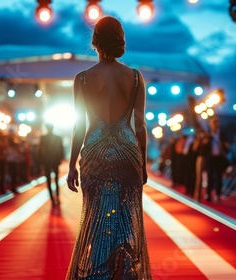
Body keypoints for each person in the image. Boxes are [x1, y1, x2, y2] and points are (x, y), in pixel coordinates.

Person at [65, 16, 151, 279]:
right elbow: (139, 125)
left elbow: (79, 127)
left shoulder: (83, 79)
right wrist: (143, 163)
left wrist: (71, 166)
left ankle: (95, 273)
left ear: (95, 42)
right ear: (121, 40)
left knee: (94, 217)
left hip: (94, 151)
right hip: (128, 150)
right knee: (127, 218)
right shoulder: (135, 77)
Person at [201, 116, 230, 202]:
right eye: (213, 123)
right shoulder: (208, 134)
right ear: (210, 124)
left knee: (219, 177)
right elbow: (203, 147)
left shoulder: (222, 133)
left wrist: (225, 146)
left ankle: (217, 195)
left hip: (219, 158)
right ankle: (208, 194)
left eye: (216, 122)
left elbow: (227, 146)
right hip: (210, 158)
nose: (215, 124)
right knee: (209, 176)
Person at [38, 123, 64, 206]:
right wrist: (60, 159)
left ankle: (52, 199)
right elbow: (61, 149)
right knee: (56, 180)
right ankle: (57, 197)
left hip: (46, 161)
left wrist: (40, 161)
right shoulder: (58, 137)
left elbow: (39, 150)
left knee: (48, 180)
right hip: (55, 160)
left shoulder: (43, 137)